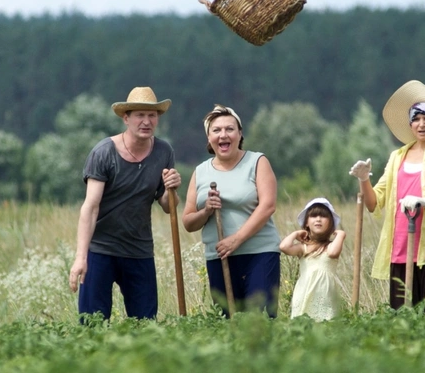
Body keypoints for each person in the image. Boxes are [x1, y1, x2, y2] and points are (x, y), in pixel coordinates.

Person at [349, 80, 425, 310]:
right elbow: (373, 203)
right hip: (400, 249)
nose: (421, 124)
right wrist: (364, 180)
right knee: (402, 320)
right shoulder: (397, 156)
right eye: (416, 119)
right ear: (410, 124)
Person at [68, 86, 182, 320]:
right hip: (101, 249)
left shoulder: (164, 151)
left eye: (152, 115)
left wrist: (173, 189)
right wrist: (81, 257)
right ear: (126, 118)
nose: (146, 121)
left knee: (145, 325)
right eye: (139, 115)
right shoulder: (103, 153)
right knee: (92, 325)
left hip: (139, 250)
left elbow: (167, 205)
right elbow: (90, 207)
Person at [182, 104, 281, 317]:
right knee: (226, 321)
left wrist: (236, 240)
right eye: (216, 130)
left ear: (240, 134)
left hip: (259, 254)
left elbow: (267, 206)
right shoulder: (201, 172)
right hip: (218, 257)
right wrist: (207, 210)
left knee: (259, 319)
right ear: (209, 138)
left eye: (230, 129)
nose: (223, 135)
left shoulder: (257, 162)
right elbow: (188, 222)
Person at [280, 197, 346, 321]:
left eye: (323, 216)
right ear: (306, 223)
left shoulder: (330, 247)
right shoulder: (304, 248)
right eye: (314, 216)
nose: (318, 219)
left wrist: (341, 234)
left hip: (325, 297)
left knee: (326, 325)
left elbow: (333, 253)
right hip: (304, 294)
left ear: (331, 223)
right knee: (303, 325)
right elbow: (284, 247)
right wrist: (295, 234)